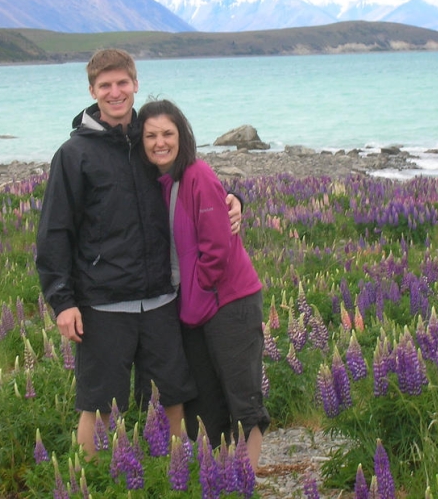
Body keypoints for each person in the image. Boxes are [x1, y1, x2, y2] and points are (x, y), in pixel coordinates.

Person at [35, 49, 242, 459]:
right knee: (99, 407)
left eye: (122, 83)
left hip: (162, 298)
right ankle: (89, 481)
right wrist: (62, 301)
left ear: (135, 83)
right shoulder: (74, 155)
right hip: (103, 304)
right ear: (92, 90)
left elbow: (196, 182)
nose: (115, 93)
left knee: (172, 398)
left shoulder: (152, 142)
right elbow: (54, 233)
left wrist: (234, 198)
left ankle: (173, 479)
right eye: (105, 86)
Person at [139, 98, 270, 471]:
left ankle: (247, 478)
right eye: (151, 135)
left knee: (241, 391)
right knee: (204, 397)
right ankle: (218, 475)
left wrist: (202, 289)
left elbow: (217, 247)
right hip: (191, 306)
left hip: (228, 300)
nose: (160, 142)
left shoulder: (197, 173)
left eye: (168, 133)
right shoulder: (158, 181)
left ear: (183, 135)